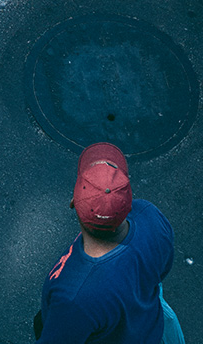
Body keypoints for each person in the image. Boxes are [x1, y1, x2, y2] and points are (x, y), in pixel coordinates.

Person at [36, 141, 184, 344]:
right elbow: (161, 271)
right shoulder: (150, 216)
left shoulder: (74, 297)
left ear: (73, 202)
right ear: (128, 201)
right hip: (153, 329)